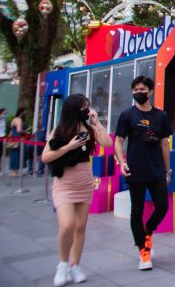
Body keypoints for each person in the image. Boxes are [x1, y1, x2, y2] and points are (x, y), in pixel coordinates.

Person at [41, 94, 112, 286]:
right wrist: (69, 146)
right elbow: (45, 157)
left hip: (84, 181)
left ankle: (75, 265)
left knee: (80, 226)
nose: (86, 110)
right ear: (73, 109)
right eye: (83, 107)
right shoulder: (60, 129)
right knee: (67, 225)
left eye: (87, 106)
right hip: (64, 183)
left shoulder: (89, 129)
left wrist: (97, 123)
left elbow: (107, 143)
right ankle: (63, 264)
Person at [114, 76, 172, 271]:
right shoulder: (127, 115)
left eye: (142, 89)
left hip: (156, 169)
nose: (138, 92)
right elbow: (119, 140)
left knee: (162, 206)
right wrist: (122, 162)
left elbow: (165, 144)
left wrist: (167, 169)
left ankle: (147, 232)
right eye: (135, 90)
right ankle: (144, 252)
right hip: (135, 170)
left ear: (150, 92)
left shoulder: (161, 116)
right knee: (136, 211)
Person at [8, 107, 27, 176]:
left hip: (13, 139)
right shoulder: (19, 120)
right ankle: (14, 171)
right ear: (21, 113)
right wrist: (25, 132)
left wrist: (9, 139)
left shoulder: (14, 120)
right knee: (17, 154)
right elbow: (19, 130)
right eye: (24, 113)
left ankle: (14, 171)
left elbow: (11, 131)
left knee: (13, 154)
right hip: (18, 139)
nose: (25, 114)